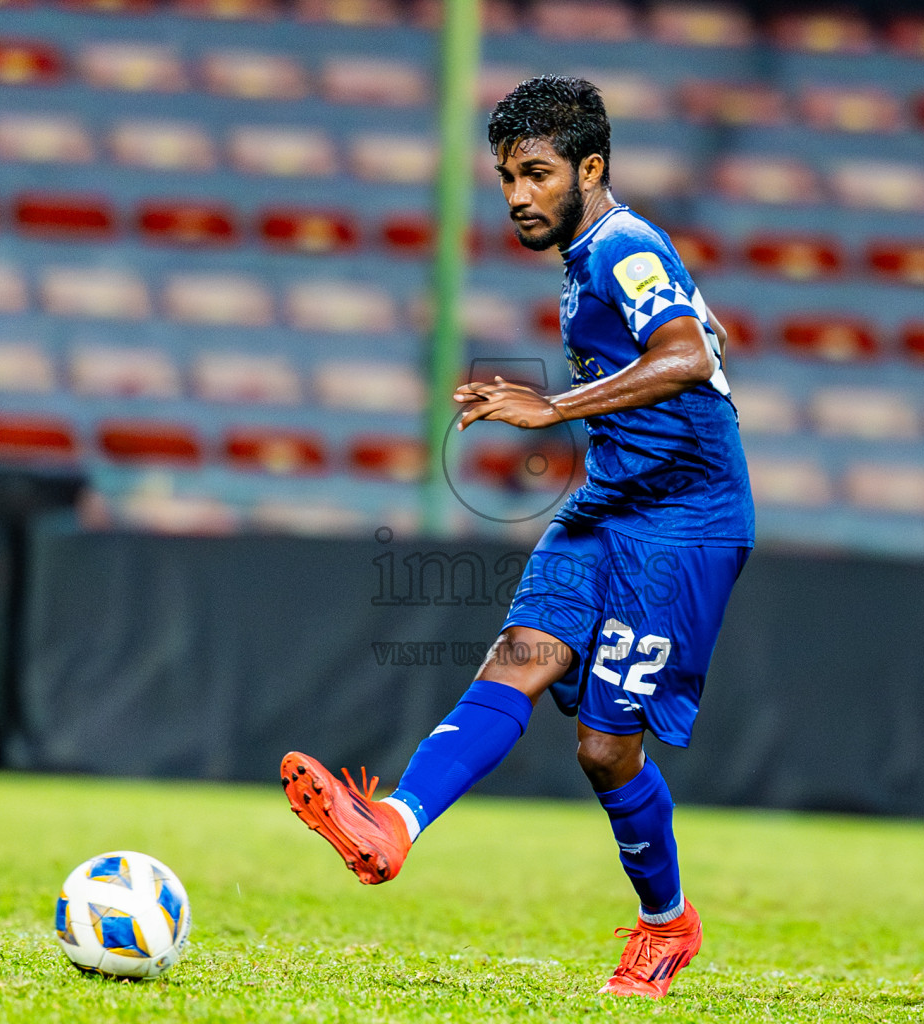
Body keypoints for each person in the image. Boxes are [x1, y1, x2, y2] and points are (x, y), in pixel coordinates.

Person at [281, 75, 754, 1000]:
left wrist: (552, 409)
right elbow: (704, 337)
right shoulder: (596, 258)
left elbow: (689, 354)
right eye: (506, 176)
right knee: (518, 657)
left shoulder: (621, 246)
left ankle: (668, 925)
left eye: (537, 173)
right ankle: (393, 826)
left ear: (591, 167)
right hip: (610, 503)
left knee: (605, 750)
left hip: (684, 521)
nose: (517, 195)